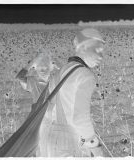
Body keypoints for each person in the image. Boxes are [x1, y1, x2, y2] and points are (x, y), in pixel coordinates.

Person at [39, 28, 105, 157]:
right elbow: (80, 118)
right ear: (84, 47)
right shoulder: (84, 74)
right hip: (69, 142)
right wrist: (95, 147)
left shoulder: (61, 71)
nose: (101, 57)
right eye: (98, 51)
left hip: (47, 137)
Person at [15, 51, 60, 156]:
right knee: (40, 149)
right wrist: (32, 64)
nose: (42, 70)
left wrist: (59, 66)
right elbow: (19, 77)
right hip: (39, 120)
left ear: (50, 68)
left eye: (45, 67)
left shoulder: (55, 81)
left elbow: (69, 78)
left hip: (55, 119)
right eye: (39, 67)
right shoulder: (33, 81)